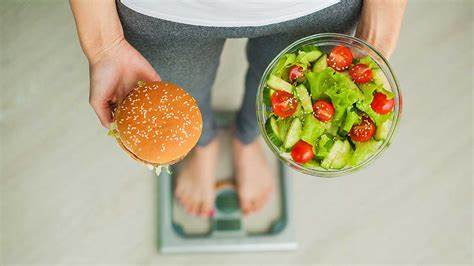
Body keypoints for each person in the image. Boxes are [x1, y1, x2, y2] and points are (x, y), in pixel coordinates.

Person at [70, 0, 407, 217]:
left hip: (317, 7)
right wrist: (104, 44)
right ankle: (202, 145)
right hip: (162, 12)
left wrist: (379, 32)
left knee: (277, 101)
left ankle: (247, 139)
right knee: (182, 94)